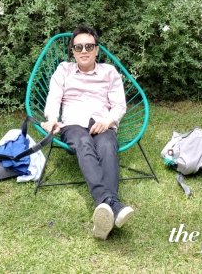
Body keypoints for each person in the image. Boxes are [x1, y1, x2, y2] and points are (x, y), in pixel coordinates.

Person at [41, 26, 133, 240]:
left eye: (89, 46)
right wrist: (52, 118)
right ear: (72, 51)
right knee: (83, 142)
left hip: (102, 123)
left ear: (97, 50)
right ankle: (111, 203)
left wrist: (107, 121)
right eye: (79, 47)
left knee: (107, 146)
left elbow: (119, 105)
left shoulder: (109, 72)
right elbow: (54, 98)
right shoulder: (63, 70)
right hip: (73, 124)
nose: (84, 51)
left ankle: (106, 209)